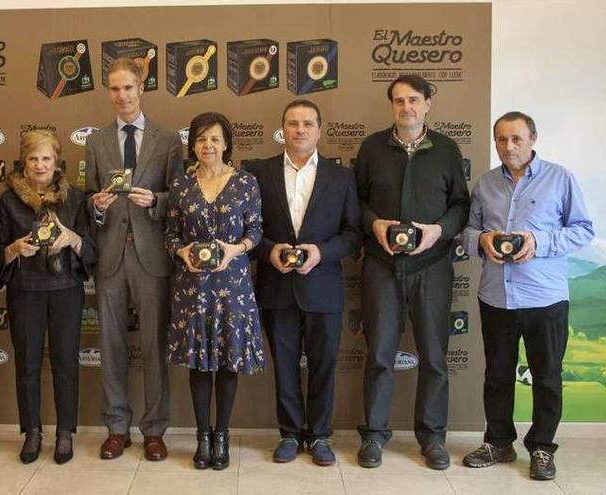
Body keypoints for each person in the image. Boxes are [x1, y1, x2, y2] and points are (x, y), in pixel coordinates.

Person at [460, 112, 593, 480]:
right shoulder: (485, 184)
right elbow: (468, 233)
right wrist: (481, 240)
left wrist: (540, 242)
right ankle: (499, 442)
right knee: (497, 375)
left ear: (533, 138)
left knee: (547, 376)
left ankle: (542, 448)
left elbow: (583, 230)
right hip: (496, 297)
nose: (509, 146)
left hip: (545, 298)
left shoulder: (560, 178)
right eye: (501, 139)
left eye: (517, 139)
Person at [354, 74, 470, 470]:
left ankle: (432, 438)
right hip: (382, 266)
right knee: (380, 355)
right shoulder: (371, 147)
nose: (407, 107)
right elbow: (358, 202)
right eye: (399, 101)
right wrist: (376, 225)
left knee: (435, 357)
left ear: (427, 104)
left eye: (414, 100)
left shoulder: (447, 150)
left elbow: (460, 205)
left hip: (432, 266)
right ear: (392, 106)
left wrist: (438, 231)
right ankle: (373, 436)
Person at [245, 100, 361, 465]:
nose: (300, 130)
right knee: (285, 365)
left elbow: (353, 233)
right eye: (293, 124)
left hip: (323, 287)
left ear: (319, 130)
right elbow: (248, 230)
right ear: (283, 129)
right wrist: (268, 251)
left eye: (307, 123)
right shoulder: (258, 173)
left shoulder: (340, 177)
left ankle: (321, 436)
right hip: (276, 287)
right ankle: (291, 434)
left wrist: (321, 253)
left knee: (325, 365)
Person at [85, 57, 184, 461]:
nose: (121, 95)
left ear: (141, 88)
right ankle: (117, 427)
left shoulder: (168, 140)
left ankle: (155, 429)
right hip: (110, 256)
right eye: (114, 88)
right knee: (110, 346)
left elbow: (179, 199)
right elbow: (88, 201)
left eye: (128, 87)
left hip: (152, 257)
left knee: (154, 346)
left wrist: (157, 201)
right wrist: (98, 205)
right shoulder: (96, 141)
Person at [166, 111, 265, 470]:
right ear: (193, 144)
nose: (208, 145)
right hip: (193, 286)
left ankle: (222, 434)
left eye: (215, 139)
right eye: (201, 139)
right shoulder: (180, 184)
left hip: (232, 285)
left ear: (226, 144)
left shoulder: (246, 182)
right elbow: (171, 234)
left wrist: (233, 251)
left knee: (227, 362)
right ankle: (202, 437)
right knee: (198, 363)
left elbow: (255, 231)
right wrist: (181, 252)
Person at [0, 130, 96, 464]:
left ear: (57, 163)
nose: (39, 165)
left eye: (46, 159)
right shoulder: (8, 200)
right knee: (27, 365)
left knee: (66, 364)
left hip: (66, 290)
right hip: (25, 292)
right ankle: (32, 431)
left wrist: (73, 240)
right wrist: (13, 249)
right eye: (33, 159)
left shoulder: (76, 199)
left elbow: (94, 249)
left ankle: (65, 431)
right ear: (23, 163)